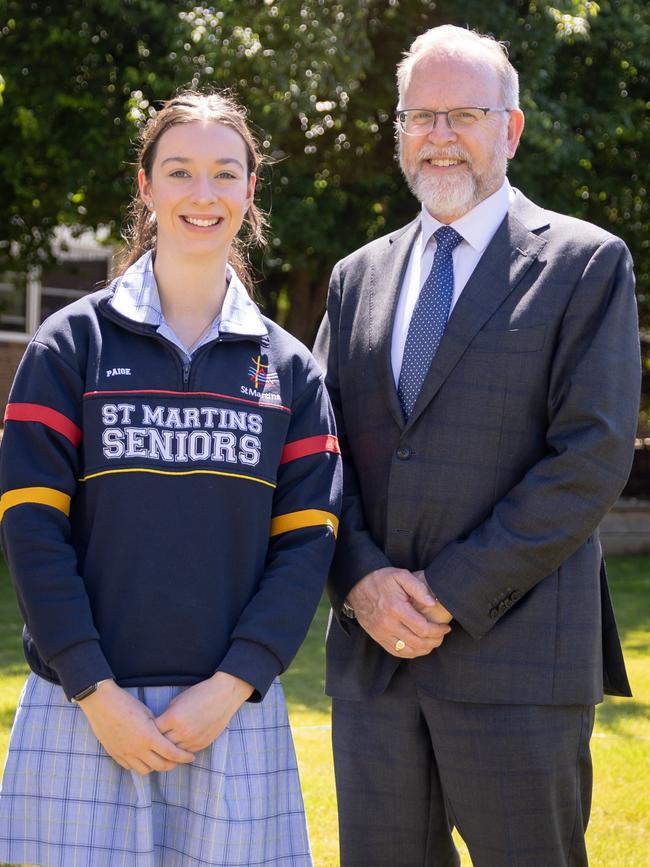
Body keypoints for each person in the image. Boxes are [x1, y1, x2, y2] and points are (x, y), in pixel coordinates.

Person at [314, 24, 641, 867]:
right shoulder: (357, 277)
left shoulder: (583, 264)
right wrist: (359, 581)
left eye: (463, 113)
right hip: (376, 673)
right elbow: (314, 454)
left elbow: (590, 456)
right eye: (420, 118)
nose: (440, 136)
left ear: (512, 128)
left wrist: (445, 592)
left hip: (520, 668)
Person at [0, 90, 341, 867]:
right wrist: (94, 688)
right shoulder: (68, 346)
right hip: (83, 710)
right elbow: (30, 529)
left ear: (250, 191)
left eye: (225, 173)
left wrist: (232, 683)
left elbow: (306, 546)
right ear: (146, 187)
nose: (203, 193)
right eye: (180, 171)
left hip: (229, 714)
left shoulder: (289, 370)